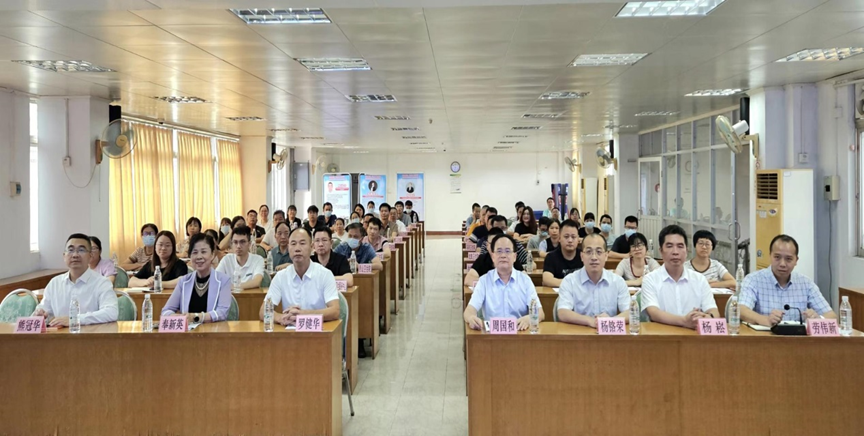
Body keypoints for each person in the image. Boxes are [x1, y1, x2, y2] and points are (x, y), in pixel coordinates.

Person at [739, 234, 836, 326]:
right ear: (770, 256)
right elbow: (741, 310)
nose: (782, 264)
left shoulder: (806, 283)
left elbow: (832, 316)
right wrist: (765, 320)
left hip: (797, 337)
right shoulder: (753, 280)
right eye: (777, 257)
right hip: (764, 336)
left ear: (796, 260)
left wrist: (819, 319)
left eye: (788, 259)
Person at [641, 225, 720, 329]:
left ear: (686, 251)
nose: (675, 252)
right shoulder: (650, 279)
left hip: (694, 336)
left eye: (680, 246)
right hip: (662, 335)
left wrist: (708, 317)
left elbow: (713, 311)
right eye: (669, 246)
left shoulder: (699, 279)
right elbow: (653, 313)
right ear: (661, 251)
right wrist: (684, 321)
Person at [33, 233, 118, 326]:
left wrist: (75, 319)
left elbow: (111, 312)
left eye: (81, 250)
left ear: (90, 256)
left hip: (91, 334)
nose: (75, 255)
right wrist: (40, 314)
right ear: (64, 256)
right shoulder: (54, 283)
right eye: (70, 250)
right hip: (59, 334)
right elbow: (44, 310)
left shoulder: (102, 283)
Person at [463, 234, 545, 331]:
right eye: (499, 251)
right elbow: (469, 311)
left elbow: (540, 313)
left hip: (520, 333)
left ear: (514, 257)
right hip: (492, 335)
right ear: (493, 256)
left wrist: (529, 319)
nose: (503, 255)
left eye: (507, 251)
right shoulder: (484, 281)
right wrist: (471, 318)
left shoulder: (525, 280)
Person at [261, 227, 340, 326]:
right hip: (290, 331)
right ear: (288, 247)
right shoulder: (281, 277)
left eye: (302, 243)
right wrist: (281, 318)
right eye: (293, 244)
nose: (297, 248)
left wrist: (303, 315)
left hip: (318, 331)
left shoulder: (325, 274)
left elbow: (335, 311)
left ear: (312, 247)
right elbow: (263, 311)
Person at [557, 233, 630, 327]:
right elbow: (563, 312)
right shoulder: (570, 281)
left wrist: (610, 321)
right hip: (580, 333)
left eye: (599, 252)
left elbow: (630, 312)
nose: (594, 257)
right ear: (582, 256)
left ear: (606, 256)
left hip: (608, 333)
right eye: (588, 252)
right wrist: (589, 321)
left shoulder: (618, 281)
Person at [161, 233, 232, 324]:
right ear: (190, 256)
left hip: (213, 331)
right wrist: (179, 317)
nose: (199, 257)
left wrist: (196, 317)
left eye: (203, 252)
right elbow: (166, 311)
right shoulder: (184, 281)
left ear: (212, 254)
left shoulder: (223, 280)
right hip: (188, 331)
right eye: (194, 252)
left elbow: (222, 313)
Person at [542, 219, 584, 287]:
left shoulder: (584, 256)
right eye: (566, 237)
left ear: (578, 239)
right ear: (559, 238)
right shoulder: (551, 257)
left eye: (573, 237)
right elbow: (547, 280)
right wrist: (573, 284)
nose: (570, 240)